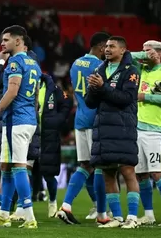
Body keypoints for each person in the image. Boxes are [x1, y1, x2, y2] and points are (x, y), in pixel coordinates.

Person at [0, 25, 40, 229]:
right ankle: (3, 213)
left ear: (18, 41)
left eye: (6, 40)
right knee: (6, 165)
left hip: (17, 121)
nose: (2, 43)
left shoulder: (15, 62)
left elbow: (12, 92)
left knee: (18, 166)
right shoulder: (34, 63)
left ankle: (29, 216)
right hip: (25, 119)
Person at [84, 36, 140, 229]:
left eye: (112, 46)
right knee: (108, 172)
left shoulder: (131, 71)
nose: (107, 49)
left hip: (123, 126)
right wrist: (93, 89)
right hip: (103, 127)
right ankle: (116, 217)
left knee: (127, 170)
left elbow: (126, 98)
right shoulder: (99, 70)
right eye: (106, 46)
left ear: (123, 50)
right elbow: (90, 103)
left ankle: (132, 217)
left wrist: (102, 87)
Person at [57, 32, 110, 224]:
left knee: (85, 165)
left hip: (79, 118)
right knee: (100, 167)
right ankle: (103, 214)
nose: (109, 50)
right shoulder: (101, 66)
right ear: (101, 46)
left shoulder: (75, 64)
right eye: (107, 46)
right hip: (95, 119)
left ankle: (67, 205)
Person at [130, 40, 161, 227]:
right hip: (137, 129)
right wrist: (142, 55)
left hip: (155, 130)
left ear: (158, 53)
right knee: (141, 174)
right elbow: (126, 57)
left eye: (147, 51)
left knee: (156, 173)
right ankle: (149, 215)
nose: (143, 54)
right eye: (142, 51)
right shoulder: (141, 70)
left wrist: (145, 96)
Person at [37, 73, 73, 218]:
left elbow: (67, 102)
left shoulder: (52, 88)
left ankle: (52, 200)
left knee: (48, 173)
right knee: (22, 169)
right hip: (28, 133)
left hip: (48, 135)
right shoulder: (22, 83)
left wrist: (58, 119)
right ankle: (21, 206)